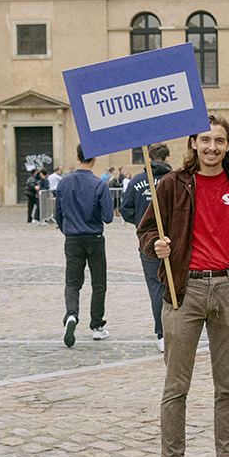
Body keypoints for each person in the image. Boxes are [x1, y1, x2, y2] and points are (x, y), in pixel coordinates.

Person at [137, 113, 229, 457]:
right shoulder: (172, 185)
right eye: (205, 140)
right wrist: (154, 246)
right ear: (193, 142)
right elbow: (147, 230)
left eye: (220, 141)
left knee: (228, 384)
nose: (212, 147)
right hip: (184, 292)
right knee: (176, 385)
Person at [55, 145, 114, 347]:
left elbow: (58, 214)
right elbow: (108, 217)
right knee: (98, 283)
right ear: (94, 158)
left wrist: (68, 229)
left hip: (72, 239)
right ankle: (97, 326)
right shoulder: (100, 184)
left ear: (77, 157)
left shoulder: (64, 182)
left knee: (72, 282)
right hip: (94, 238)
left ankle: (71, 315)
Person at [120, 143, 173, 353]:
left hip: (149, 244)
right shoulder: (175, 178)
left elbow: (125, 209)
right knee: (176, 286)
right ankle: (175, 332)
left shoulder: (137, 181)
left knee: (156, 288)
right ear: (167, 158)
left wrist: (142, 224)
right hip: (173, 242)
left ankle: (162, 334)